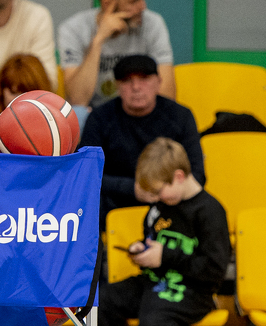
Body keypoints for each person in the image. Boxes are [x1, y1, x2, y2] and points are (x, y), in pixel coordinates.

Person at [97, 138, 231, 326]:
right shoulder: (159, 207)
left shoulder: (210, 211)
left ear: (179, 176)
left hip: (194, 290)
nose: (156, 198)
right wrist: (142, 251)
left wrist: (165, 257)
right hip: (155, 282)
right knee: (104, 301)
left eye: (159, 191)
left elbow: (213, 270)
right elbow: (154, 243)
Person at [79, 55, 205, 226]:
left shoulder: (181, 116)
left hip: (170, 201)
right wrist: (131, 188)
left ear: (158, 82)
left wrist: (164, 190)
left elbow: (197, 173)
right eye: (127, 80)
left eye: (144, 79)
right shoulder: (99, 118)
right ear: (117, 85)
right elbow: (86, 173)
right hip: (116, 203)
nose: (136, 87)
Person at [57, 0, 175, 109]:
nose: (143, 6)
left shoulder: (152, 24)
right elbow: (78, 100)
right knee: (78, 113)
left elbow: (167, 96)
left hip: (138, 112)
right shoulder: (73, 29)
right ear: (107, 4)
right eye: (134, 1)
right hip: (93, 115)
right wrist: (98, 39)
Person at [0, 53, 52, 131]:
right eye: (13, 92)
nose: (18, 100)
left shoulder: (52, 121)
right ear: (1, 90)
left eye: (26, 94)